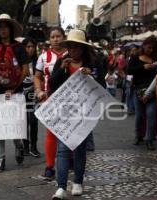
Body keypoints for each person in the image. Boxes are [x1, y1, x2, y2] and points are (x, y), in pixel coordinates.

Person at [49, 29, 98, 199]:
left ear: (83, 48)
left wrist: (91, 75)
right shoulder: (61, 62)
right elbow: (53, 86)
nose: (73, 50)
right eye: (70, 47)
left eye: (76, 47)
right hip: (64, 112)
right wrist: (61, 69)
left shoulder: (92, 64)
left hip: (84, 113)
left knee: (79, 149)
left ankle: (77, 181)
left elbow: (102, 88)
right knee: (62, 149)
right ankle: (61, 187)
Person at [0, 14, 29, 172]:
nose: (3, 30)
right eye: (0, 27)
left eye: (5, 26)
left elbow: (25, 69)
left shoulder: (19, 48)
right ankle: (0, 158)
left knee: (13, 125)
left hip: (15, 92)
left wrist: (14, 88)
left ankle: (18, 145)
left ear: (10, 29)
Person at [34, 27, 66, 180]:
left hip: (70, 99)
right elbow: (37, 76)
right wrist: (39, 90)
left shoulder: (71, 54)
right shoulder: (43, 56)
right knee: (51, 132)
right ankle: (49, 167)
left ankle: (70, 161)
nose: (55, 39)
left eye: (58, 36)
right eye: (52, 37)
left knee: (69, 132)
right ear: (49, 39)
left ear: (63, 37)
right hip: (50, 98)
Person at [127, 36, 157, 150]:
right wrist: (143, 67)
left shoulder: (156, 58)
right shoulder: (136, 57)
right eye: (149, 47)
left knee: (151, 114)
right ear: (144, 45)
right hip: (138, 90)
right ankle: (138, 136)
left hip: (152, 91)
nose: (150, 50)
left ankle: (149, 139)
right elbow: (129, 70)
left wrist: (155, 66)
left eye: (153, 48)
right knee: (139, 115)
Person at [21, 38, 40, 157]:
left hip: (34, 93)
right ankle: (25, 146)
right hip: (21, 93)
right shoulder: (19, 61)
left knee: (33, 120)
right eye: (27, 47)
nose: (30, 49)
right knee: (24, 121)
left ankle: (34, 146)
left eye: (32, 46)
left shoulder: (38, 61)